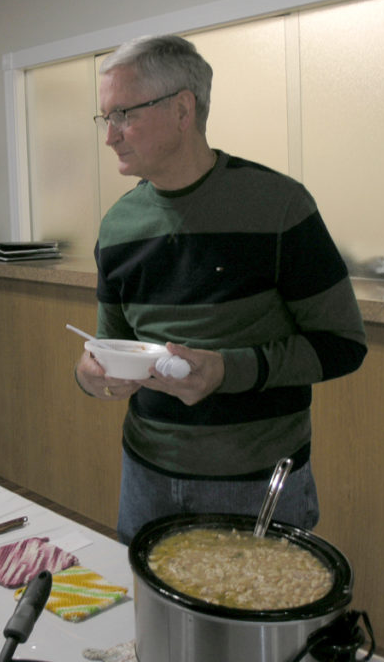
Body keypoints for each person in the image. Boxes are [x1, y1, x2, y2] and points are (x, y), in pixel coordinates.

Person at [74, 34, 368, 544]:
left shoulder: (279, 206)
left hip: (257, 484)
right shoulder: (119, 225)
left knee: (257, 623)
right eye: (106, 118)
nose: (111, 136)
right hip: (147, 476)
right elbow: (109, 347)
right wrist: (91, 375)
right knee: (151, 626)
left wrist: (227, 371)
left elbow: (343, 345)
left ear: (183, 109)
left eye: (124, 115)